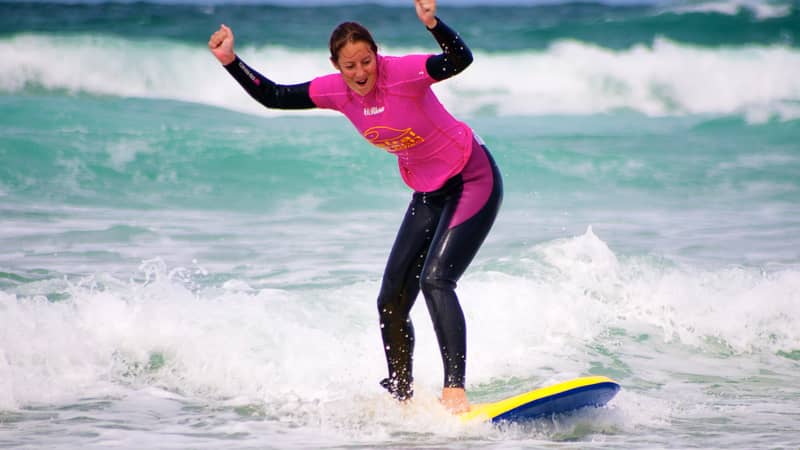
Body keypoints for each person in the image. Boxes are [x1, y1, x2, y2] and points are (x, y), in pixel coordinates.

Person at [208, 0, 502, 414]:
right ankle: (401, 395)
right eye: (350, 66)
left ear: (376, 55)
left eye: (367, 61)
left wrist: (433, 24)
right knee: (390, 301)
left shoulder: (403, 74)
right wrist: (230, 61)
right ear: (336, 66)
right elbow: (274, 96)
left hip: (472, 178)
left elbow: (460, 59)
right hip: (428, 191)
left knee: (436, 280)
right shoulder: (335, 91)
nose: (361, 72)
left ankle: (455, 390)